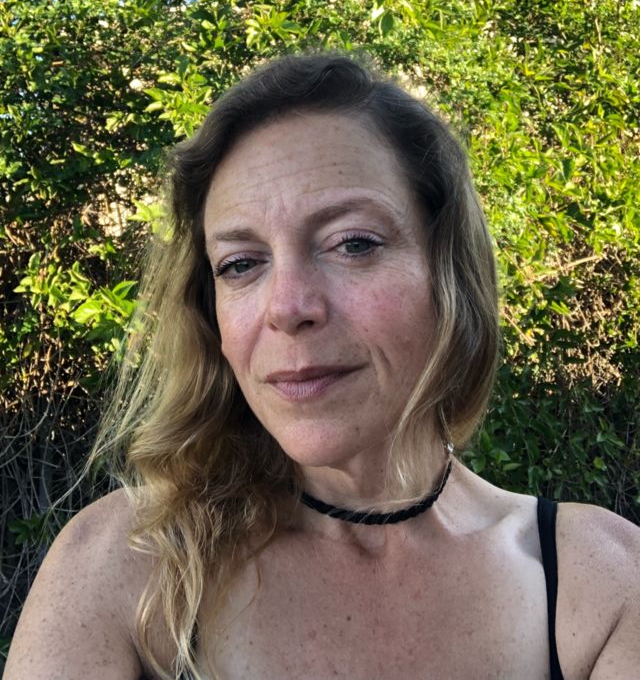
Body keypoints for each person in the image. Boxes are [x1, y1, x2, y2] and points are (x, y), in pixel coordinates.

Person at [5, 53, 639, 680]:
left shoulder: (602, 583)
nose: (287, 308)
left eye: (353, 244)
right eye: (241, 264)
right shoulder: (127, 565)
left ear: (448, 273)